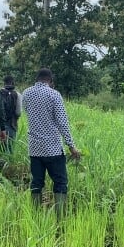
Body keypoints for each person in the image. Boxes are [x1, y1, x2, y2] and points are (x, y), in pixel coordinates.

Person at [21, 68, 80, 217]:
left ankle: (35, 215)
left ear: (37, 78)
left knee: (36, 183)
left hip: (34, 148)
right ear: (50, 80)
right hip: (52, 148)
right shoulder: (54, 94)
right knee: (60, 182)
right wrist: (71, 146)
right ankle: (60, 217)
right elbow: (62, 122)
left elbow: (28, 112)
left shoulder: (26, 93)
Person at [0, 75, 22, 154]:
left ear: (4, 83)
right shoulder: (17, 95)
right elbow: (18, 112)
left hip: (0, 125)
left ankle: (2, 163)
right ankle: (10, 164)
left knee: (2, 148)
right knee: (10, 147)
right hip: (12, 124)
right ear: (13, 82)